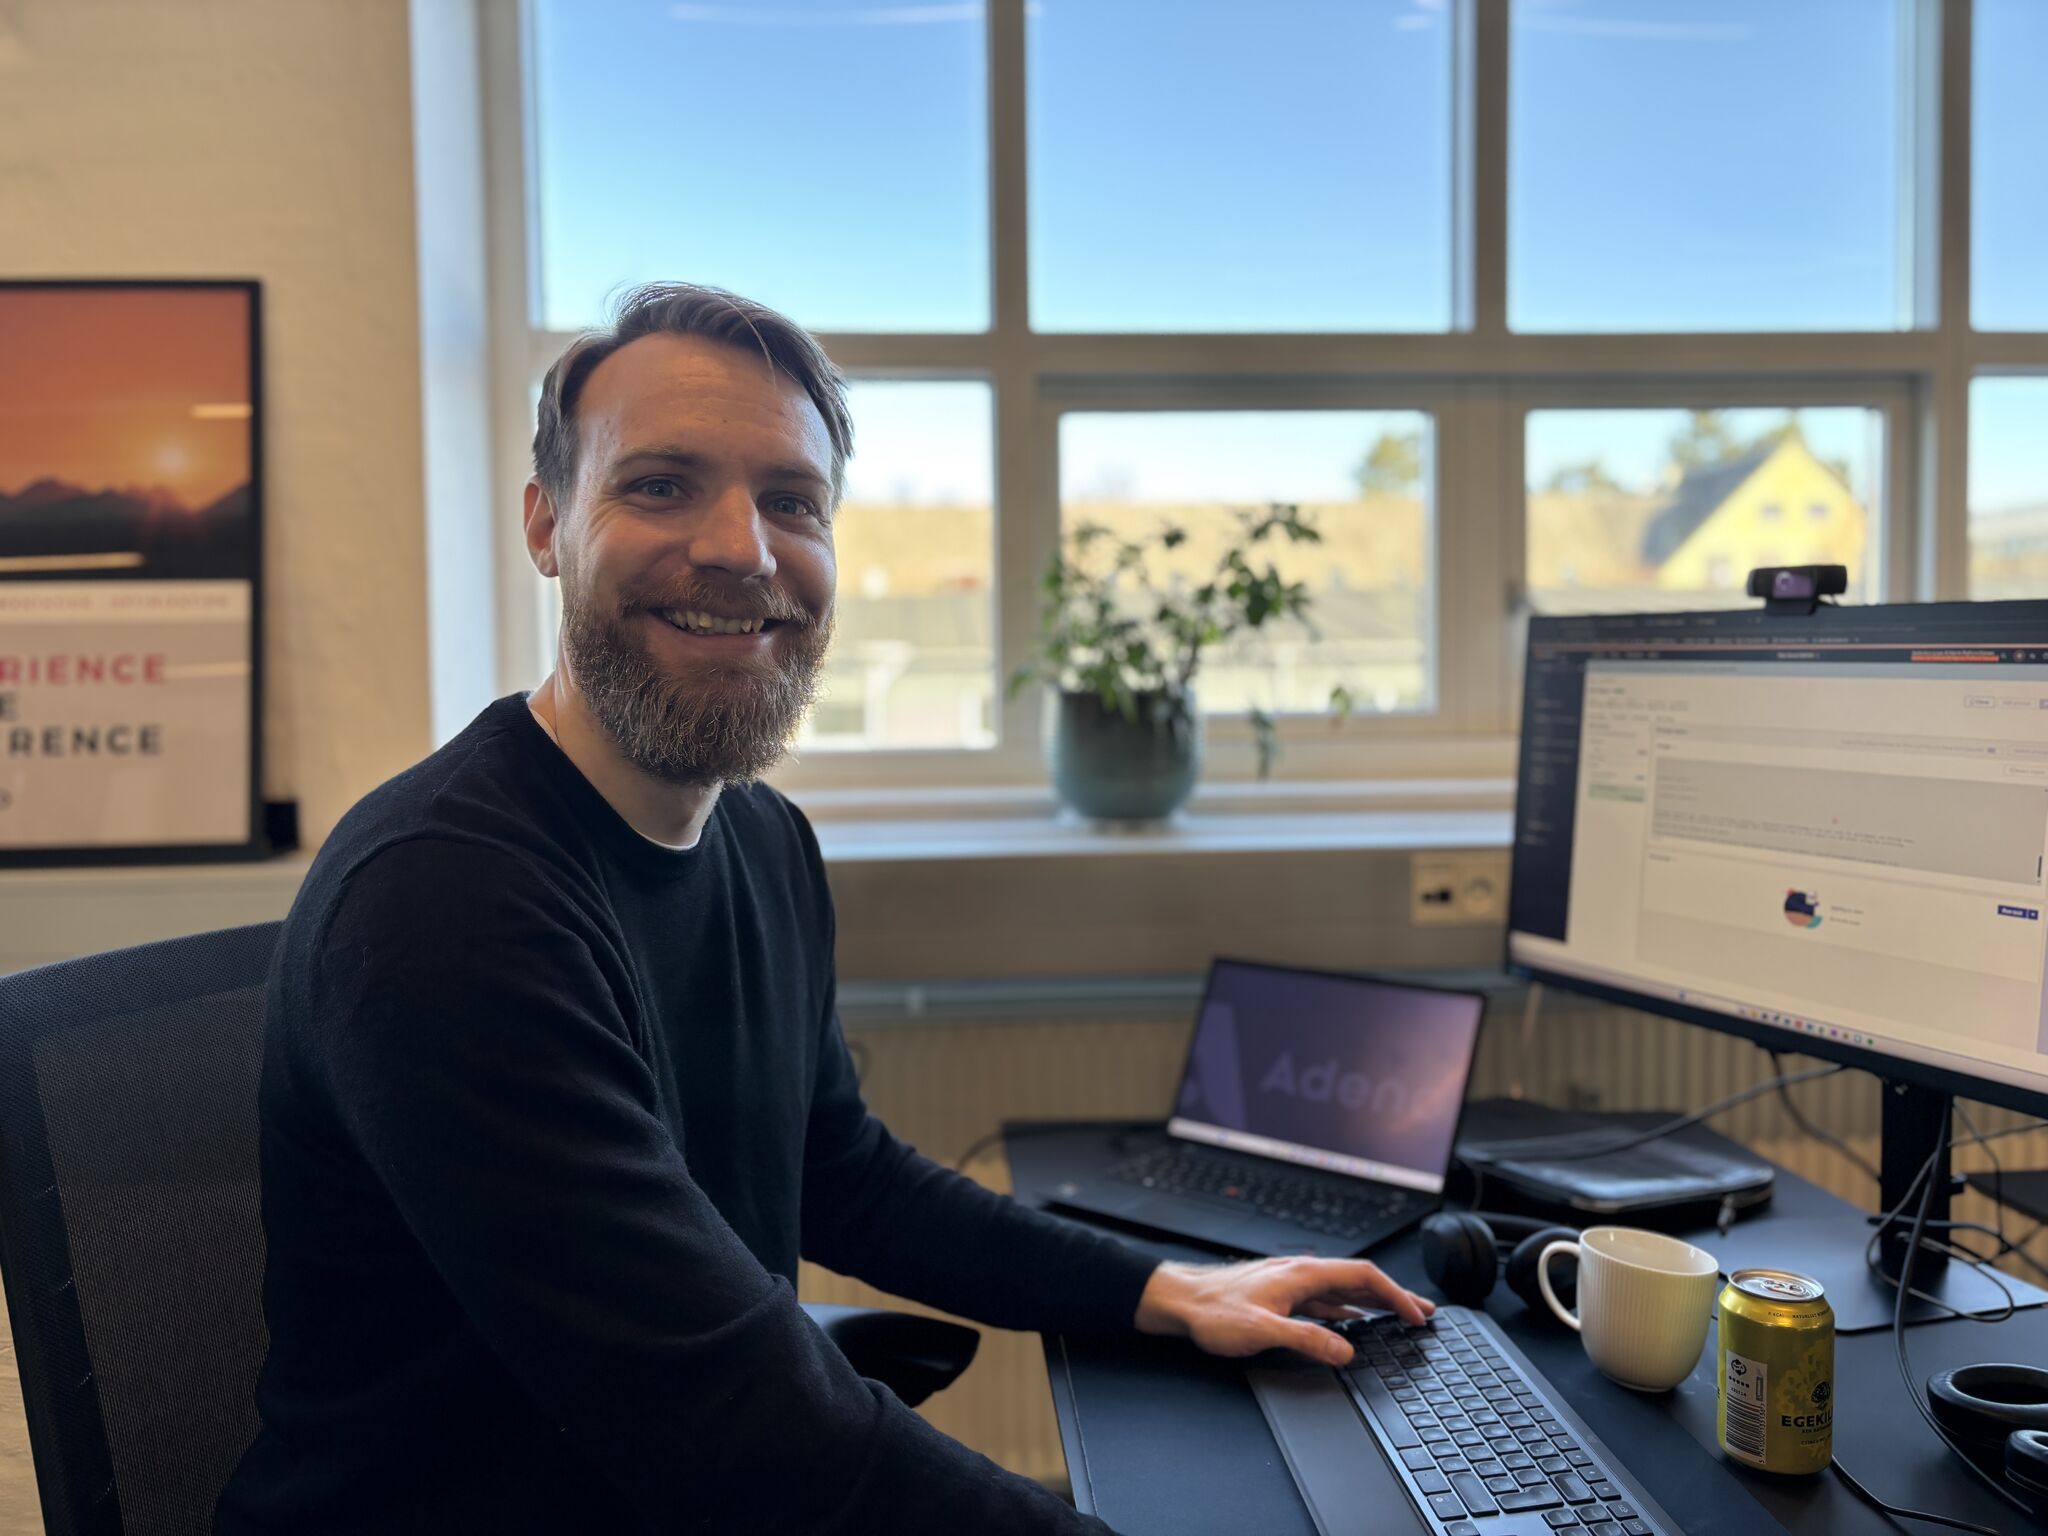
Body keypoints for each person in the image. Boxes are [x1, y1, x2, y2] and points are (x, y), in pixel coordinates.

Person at [215, 282, 1433, 1535]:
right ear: (545, 524)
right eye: (660, 484)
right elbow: (738, 1420)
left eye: (791, 501)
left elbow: (839, 1169)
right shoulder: (442, 905)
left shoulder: (759, 837)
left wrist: (1160, 1288)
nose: (743, 548)